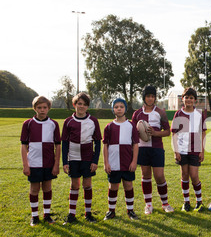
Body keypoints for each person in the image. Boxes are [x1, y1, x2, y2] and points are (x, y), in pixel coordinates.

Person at [131, 85, 174, 215]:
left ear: (155, 97)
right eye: (148, 96)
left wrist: (155, 133)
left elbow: (167, 132)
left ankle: (165, 203)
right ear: (144, 97)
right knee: (146, 176)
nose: (150, 98)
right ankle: (148, 205)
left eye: (152, 96)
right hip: (143, 149)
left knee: (159, 176)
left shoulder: (160, 113)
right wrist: (138, 134)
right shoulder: (137, 114)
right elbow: (132, 133)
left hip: (156, 149)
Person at [62, 92, 102, 224]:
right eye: (79, 103)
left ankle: (88, 213)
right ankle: (71, 215)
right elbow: (65, 143)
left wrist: (95, 161)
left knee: (87, 184)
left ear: (87, 106)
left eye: (84, 104)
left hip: (87, 158)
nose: (81, 106)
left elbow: (97, 142)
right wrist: (65, 162)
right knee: (74, 185)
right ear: (74, 104)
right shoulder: (68, 121)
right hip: (73, 158)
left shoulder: (93, 121)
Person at [21, 96, 61, 226]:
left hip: (49, 163)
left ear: (48, 108)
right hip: (34, 163)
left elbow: (58, 146)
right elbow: (23, 146)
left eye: (45, 107)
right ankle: (34, 217)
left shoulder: (53, 124)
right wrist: (25, 165)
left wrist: (56, 164)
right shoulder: (27, 124)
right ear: (34, 108)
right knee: (34, 189)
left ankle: (47, 215)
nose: (42, 110)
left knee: (47, 188)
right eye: (39, 108)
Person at [171, 87, 207, 212]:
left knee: (194, 175)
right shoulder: (178, 114)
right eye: (186, 97)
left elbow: (203, 133)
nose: (189, 100)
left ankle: (199, 201)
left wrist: (202, 150)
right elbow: (174, 134)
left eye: (191, 98)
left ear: (195, 100)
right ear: (183, 99)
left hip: (195, 149)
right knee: (184, 175)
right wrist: (176, 151)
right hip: (182, 150)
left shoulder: (199, 114)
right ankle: (186, 202)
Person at [103, 98, 139, 220]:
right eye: (116, 107)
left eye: (121, 107)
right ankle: (111, 211)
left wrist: (134, 161)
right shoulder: (109, 127)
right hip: (113, 163)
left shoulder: (131, 126)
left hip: (127, 162)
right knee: (113, 186)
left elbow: (135, 145)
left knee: (128, 185)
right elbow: (105, 146)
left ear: (125, 109)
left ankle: (130, 211)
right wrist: (106, 163)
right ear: (113, 109)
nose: (119, 109)